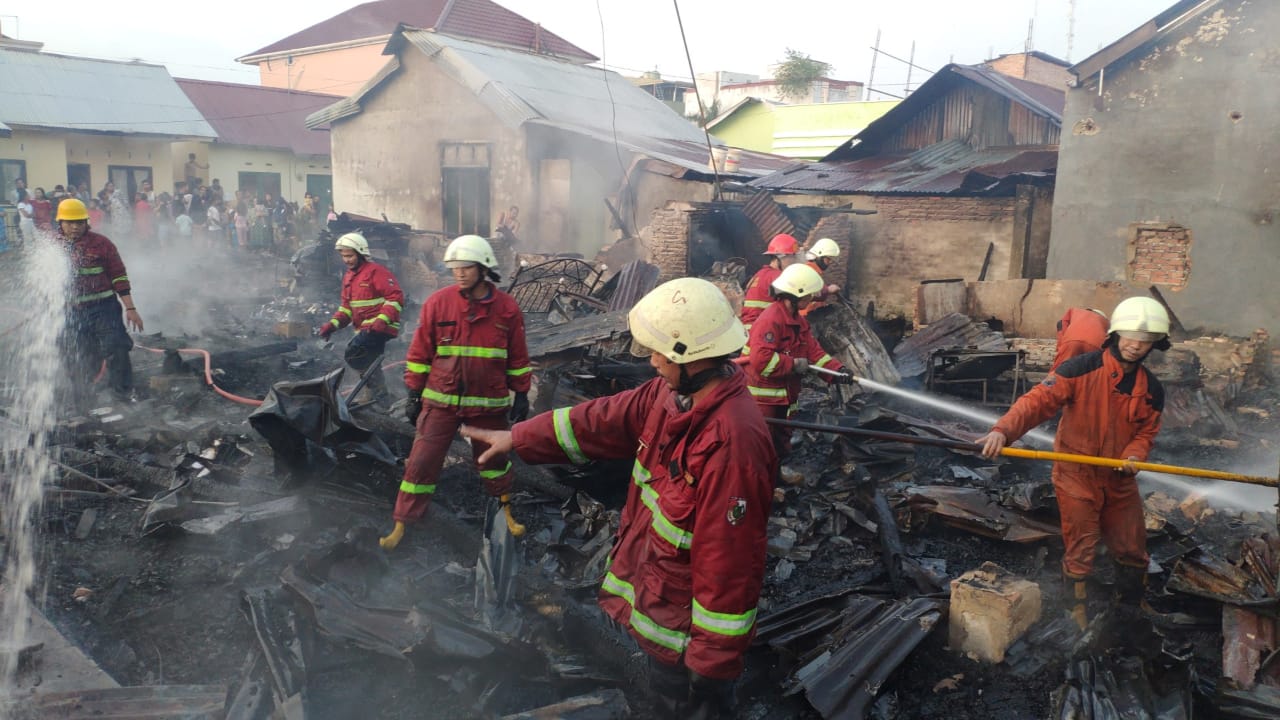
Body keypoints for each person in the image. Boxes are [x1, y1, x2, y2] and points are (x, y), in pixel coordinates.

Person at [461, 278, 775, 718]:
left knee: (695, 707)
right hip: (660, 604)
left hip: (686, 631)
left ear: (691, 355)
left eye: (660, 353)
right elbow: (601, 420)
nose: (651, 362)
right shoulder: (670, 395)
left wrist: (713, 660)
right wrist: (516, 437)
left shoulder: (734, 442)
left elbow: (730, 563)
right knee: (663, 695)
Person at [978, 297, 1170, 630]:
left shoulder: (1152, 389)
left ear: (1156, 343)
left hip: (1119, 479)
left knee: (1132, 547)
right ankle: (1075, 614)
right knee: (1082, 548)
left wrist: (1134, 455)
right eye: (1130, 336)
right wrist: (1003, 431)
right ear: (1115, 333)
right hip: (1076, 474)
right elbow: (1037, 402)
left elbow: (1145, 432)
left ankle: (1132, 608)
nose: (1136, 346)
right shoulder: (1079, 369)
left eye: (1145, 340)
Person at [379, 234, 531, 551]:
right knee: (420, 462)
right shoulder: (439, 303)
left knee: (495, 462)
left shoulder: (506, 309)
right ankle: (402, 523)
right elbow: (420, 353)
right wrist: (412, 395)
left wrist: (521, 394)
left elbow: (517, 356)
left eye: (465, 267)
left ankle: (506, 513)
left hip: (488, 406)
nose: (459, 273)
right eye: (454, 268)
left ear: (482, 267)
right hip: (440, 402)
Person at [744, 263, 851, 461]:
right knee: (761, 445)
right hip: (764, 397)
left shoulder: (798, 321)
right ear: (796, 294)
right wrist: (792, 364)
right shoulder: (771, 320)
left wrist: (838, 371)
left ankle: (777, 479)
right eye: (809, 295)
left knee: (781, 441)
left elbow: (814, 352)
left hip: (784, 393)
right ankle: (764, 485)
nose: (812, 299)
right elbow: (761, 360)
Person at [58, 198, 144, 406]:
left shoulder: (101, 244)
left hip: (103, 308)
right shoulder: (52, 246)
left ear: (87, 222)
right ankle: (83, 397)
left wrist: (130, 307)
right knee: (78, 353)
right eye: (69, 222)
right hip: (71, 312)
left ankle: (122, 395)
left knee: (116, 347)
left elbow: (119, 276)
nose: (75, 227)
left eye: (79, 222)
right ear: (60, 222)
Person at [317, 232, 404, 406]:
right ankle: (379, 397)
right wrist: (332, 326)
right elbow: (347, 309)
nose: (346, 260)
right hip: (365, 329)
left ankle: (378, 394)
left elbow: (395, 298)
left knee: (354, 353)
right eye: (343, 256)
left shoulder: (376, 272)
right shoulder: (349, 277)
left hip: (381, 327)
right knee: (369, 359)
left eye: (350, 255)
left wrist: (381, 320)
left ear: (360, 252)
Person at [740, 233, 799, 330]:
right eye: (792, 257)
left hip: (750, 330)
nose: (794, 261)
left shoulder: (760, 274)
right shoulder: (777, 276)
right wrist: (827, 290)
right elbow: (801, 291)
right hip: (763, 331)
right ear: (780, 257)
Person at [1052, 307, 1111, 371]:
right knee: (1088, 374)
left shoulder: (1076, 312)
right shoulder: (1106, 322)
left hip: (1073, 341)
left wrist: (1060, 348)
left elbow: (1061, 324)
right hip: (1097, 345)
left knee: (1058, 372)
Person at [798, 237, 844, 317]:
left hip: (813, 313)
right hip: (807, 316)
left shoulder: (814, 270)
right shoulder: (808, 271)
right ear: (819, 257)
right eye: (828, 259)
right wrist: (828, 290)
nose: (829, 263)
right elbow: (806, 293)